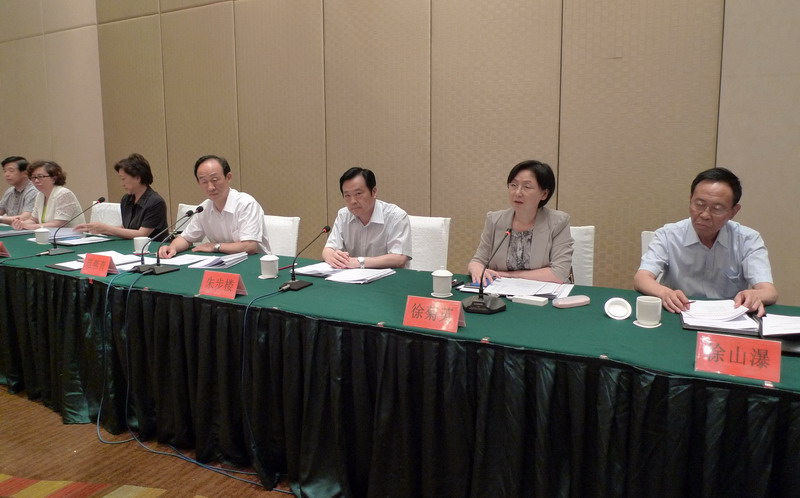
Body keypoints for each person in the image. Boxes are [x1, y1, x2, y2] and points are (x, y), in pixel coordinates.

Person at [634, 167, 777, 317]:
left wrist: (754, 295)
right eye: (699, 204)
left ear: (733, 212)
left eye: (717, 208)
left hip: (729, 319)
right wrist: (664, 293)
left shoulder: (748, 239)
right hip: (678, 313)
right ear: (690, 200)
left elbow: (769, 292)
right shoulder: (668, 235)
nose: (705, 215)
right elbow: (641, 278)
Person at [468, 160, 573, 285]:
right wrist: (477, 269)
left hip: (544, 294)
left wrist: (510, 275)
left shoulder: (558, 222)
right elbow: (478, 261)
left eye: (527, 187)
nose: (517, 193)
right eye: (513, 185)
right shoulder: (494, 220)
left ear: (544, 194)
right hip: (500, 291)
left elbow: (559, 274)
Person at [158, 154, 269, 259]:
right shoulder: (203, 209)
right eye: (204, 182)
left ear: (228, 177)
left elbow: (249, 247)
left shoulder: (246, 204)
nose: (210, 187)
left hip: (255, 263)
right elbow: (186, 238)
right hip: (222, 261)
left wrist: (215, 246)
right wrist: (172, 247)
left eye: (215, 180)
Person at [323, 167, 411, 269]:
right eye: (347, 195)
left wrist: (359, 262)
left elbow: (399, 258)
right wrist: (332, 257)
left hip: (390, 277)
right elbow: (328, 249)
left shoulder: (396, 216)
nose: (353, 201)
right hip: (353, 276)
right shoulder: (343, 215)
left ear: (374, 192)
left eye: (358, 194)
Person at [74, 153, 168, 240]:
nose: (122, 184)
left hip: (153, 248)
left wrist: (106, 228)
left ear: (138, 178)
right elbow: (126, 228)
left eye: (123, 179)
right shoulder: (127, 199)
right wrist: (97, 229)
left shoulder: (155, 202)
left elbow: (142, 234)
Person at [11, 160, 85, 229]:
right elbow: (34, 219)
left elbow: (58, 224)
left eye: (40, 176)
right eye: (33, 177)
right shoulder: (40, 195)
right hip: (49, 235)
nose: (36, 180)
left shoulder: (64, 194)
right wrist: (21, 223)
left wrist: (29, 226)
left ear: (54, 178)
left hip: (70, 236)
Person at [0, 156, 38, 225]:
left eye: (11, 171)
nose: (6, 174)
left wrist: (1, 219)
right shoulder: (9, 191)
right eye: (5, 171)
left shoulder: (34, 191)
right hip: (13, 229)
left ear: (25, 173)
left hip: (29, 230)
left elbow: (26, 218)